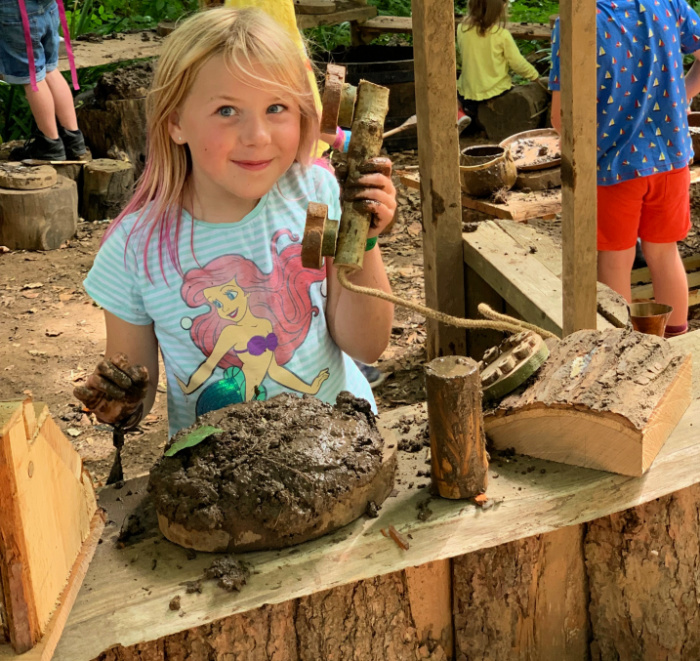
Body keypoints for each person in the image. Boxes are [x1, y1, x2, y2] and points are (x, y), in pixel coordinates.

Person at [73, 7, 396, 438]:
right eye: (227, 111)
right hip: (221, 477)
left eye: (276, 107)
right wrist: (120, 403)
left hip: (339, 444)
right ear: (175, 123)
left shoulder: (316, 194)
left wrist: (366, 240)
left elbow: (367, 345)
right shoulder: (136, 250)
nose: (257, 135)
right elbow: (137, 390)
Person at [549, 0, 700, 338]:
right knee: (664, 254)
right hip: (671, 157)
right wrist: (681, 93)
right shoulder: (669, 3)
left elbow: (562, 118)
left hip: (613, 167)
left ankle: (622, 353)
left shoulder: (576, 19)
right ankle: (674, 345)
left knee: (616, 259)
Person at [0, 0, 87, 161]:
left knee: (32, 77)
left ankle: (50, 144)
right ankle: (73, 139)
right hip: (48, 7)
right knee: (49, 69)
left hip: (17, 11)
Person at [456, 0, 540, 133]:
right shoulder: (501, 35)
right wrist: (535, 77)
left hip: (469, 91)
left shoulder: (462, 29)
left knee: (456, 82)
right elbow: (517, 64)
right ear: (499, 9)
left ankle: (460, 114)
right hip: (496, 89)